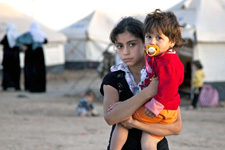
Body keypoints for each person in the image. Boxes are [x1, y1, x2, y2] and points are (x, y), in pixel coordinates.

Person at [100, 16, 182, 150]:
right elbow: (110, 117)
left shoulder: (161, 72)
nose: (125, 52)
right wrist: (148, 92)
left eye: (132, 44)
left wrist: (134, 122)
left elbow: (176, 127)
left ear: (144, 44)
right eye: (119, 46)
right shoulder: (113, 78)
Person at [17, 22, 48, 92]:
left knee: (31, 70)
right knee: (38, 70)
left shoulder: (28, 35)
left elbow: (18, 40)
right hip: (39, 53)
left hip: (30, 53)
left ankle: (31, 87)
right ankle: (39, 87)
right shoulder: (41, 34)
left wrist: (22, 46)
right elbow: (45, 41)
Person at [0, 24, 21, 91]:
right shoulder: (17, 36)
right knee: (15, 72)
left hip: (7, 58)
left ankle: (6, 86)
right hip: (15, 58)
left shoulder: (7, 36)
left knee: (7, 72)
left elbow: (2, 42)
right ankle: (16, 86)